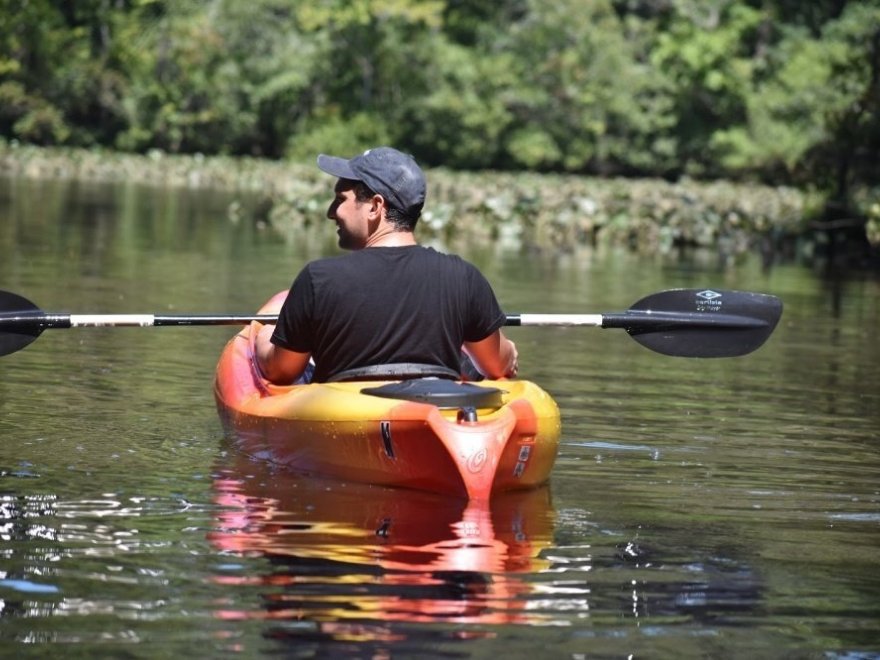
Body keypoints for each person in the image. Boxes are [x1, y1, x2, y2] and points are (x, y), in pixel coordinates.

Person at [255, 146, 518, 384]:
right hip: (433, 415)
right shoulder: (464, 277)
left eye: (340, 199)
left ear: (375, 206)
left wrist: (263, 336)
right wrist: (509, 351)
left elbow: (280, 371)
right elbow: (498, 365)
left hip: (346, 422)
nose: (330, 212)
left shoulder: (319, 279)